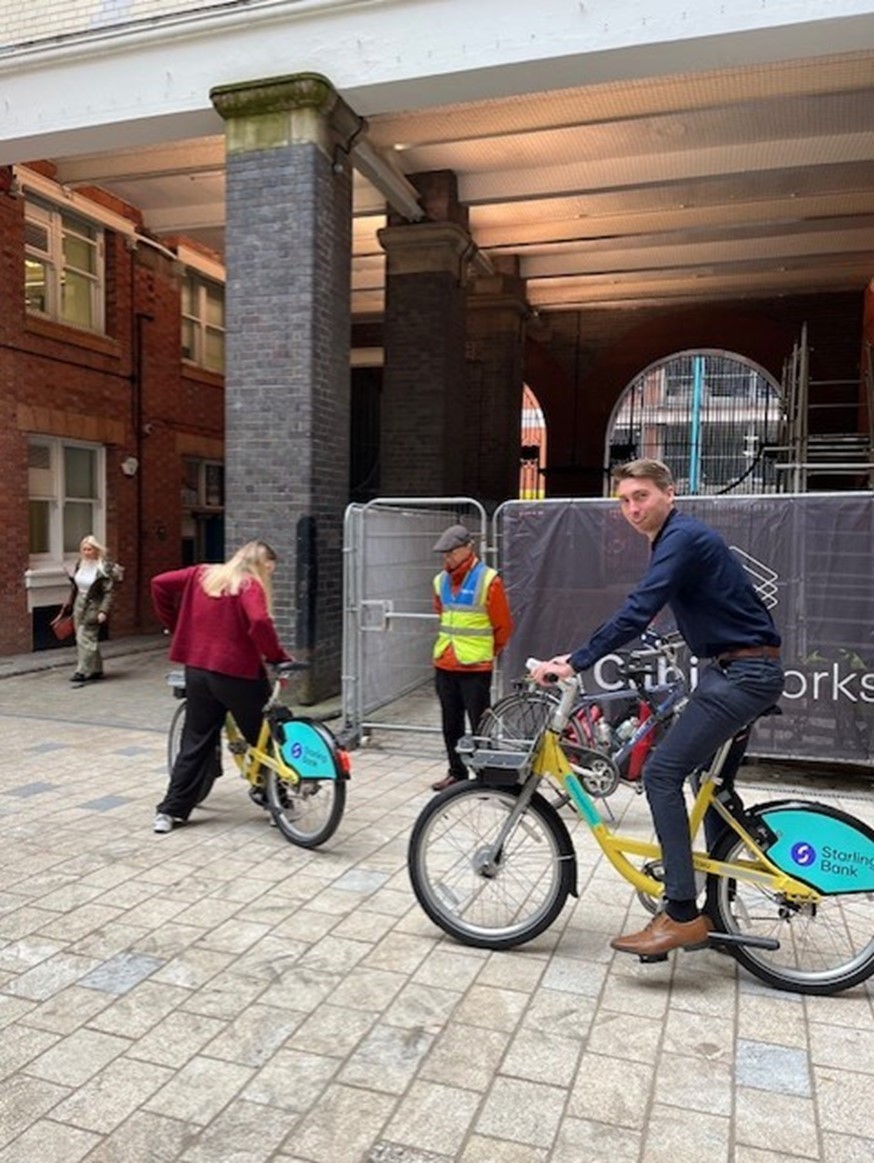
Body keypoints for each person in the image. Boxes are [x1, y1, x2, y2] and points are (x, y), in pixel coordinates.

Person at [531, 459, 785, 958]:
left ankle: (682, 913)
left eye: (641, 496)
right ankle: (718, 906)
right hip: (736, 669)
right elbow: (696, 607)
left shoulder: (682, 538)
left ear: (669, 493)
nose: (632, 508)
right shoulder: (677, 538)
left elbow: (640, 606)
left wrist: (577, 660)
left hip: (743, 675)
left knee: (661, 775)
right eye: (624, 500)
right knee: (708, 787)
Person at [150, 539, 292, 834]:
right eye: (270, 570)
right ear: (261, 565)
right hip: (237, 674)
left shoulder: (201, 574)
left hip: (198, 670)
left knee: (196, 739)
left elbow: (158, 583)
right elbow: (259, 621)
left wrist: (176, 624)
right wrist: (276, 657)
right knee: (262, 737)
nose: (269, 576)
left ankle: (170, 811)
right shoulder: (249, 584)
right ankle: (275, 801)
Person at [430, 524, 514, 792]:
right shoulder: (439, 581)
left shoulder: (489, 581)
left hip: (475, 666)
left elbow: (503, 625)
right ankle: (457, 773)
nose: (447, 558)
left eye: (452, 552)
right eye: (444, 553)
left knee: (480, 724)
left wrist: (488, 652)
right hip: (445, 662)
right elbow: (443, 615)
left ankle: (485, 775)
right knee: (450, 723)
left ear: (469, 548)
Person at [63, 535, 119, 685]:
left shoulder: (103, 568)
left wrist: (103, 611)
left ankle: (82, 671)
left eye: (89, 549)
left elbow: (109, 592)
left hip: (94, 605)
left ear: (96, 550)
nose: (86, 552)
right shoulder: (80, 564)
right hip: (78, 604)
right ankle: (96, 669)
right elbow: (76, 585)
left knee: (85, 637)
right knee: (84, 638)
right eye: (84, 549)